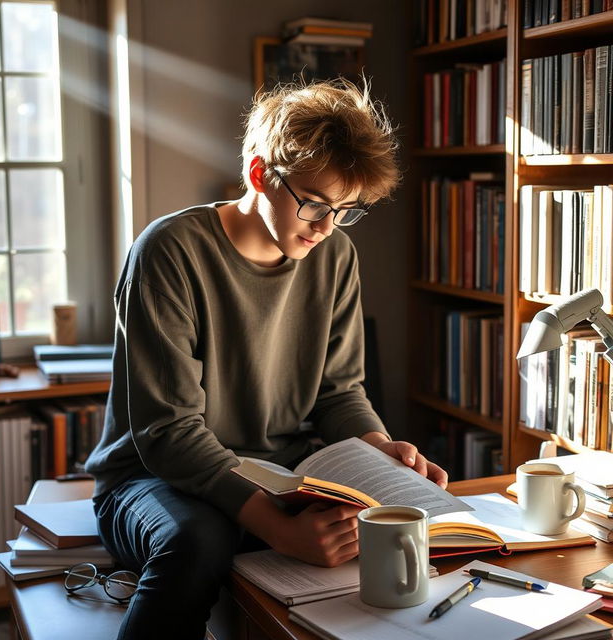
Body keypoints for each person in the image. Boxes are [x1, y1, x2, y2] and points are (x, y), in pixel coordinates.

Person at [85, 77, 448, 640]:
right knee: (199, 541)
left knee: (393, 535)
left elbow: (340, 392)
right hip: (154, 477)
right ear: (259, 174)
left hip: (281, 473)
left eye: (346, 211)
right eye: (315, 204)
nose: (326, 229)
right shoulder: (169, 250)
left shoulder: (335, 257)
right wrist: (277, 529)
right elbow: (169, 433)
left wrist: (381, 451)